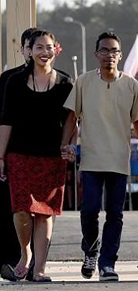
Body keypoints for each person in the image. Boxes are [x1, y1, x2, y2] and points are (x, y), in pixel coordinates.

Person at [60, 31, 138, 282]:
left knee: (115, 214)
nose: (110, 55)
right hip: (91, 160)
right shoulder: (83, 82)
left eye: (114, 51)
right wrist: (67, 144)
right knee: (89, 211)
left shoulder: (132, 85)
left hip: (120, 160)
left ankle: (108, 263)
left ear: (120, 55)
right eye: (105, 50)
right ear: (97, 54)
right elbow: (71, 118)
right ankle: (91, 252)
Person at [0, 30, 73, 282]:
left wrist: (67, 146)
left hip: (51, 156)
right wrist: (0, 157)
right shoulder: (14, 81)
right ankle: (25, 253)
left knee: (44, 212)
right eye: (39, 47)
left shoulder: (66, 83)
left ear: (56, 49)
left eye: (49, 47)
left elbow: (71, 121)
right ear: (29, 50)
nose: (45, 52)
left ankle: (39, 268)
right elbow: (6, 121)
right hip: (19, 155)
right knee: (21, 208)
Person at [0, 27, 38, 279]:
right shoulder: (8, 79)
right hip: (13, 154)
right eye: (30, 46)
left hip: (44, 155)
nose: (35, 52)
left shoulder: (60, 79)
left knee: (41, 212)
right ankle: (10, 261)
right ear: (23, 49)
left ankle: (36, 263)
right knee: (11, 208)